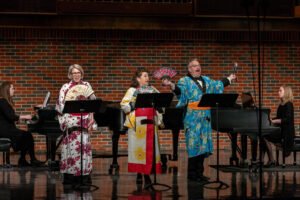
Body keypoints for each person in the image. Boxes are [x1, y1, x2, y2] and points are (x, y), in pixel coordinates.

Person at [162, 58, 236, 183]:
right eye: (195, 66)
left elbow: (217, 85)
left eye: (199, 65)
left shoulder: (206, 80)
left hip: (205, 118)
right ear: (189, 69)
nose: (198, 67)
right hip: (192, 118)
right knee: (193, 145)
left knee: (203, 145)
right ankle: (192, 174)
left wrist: (229, 78)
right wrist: (171, 85)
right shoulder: (184, 81)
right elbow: (180, 91)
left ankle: (200, 173)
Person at [120, 67, 163, 189]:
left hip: (150, 121)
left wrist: (159, 108)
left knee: (150, 149)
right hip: (138, 122)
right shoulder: (132, 90)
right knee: (140, 150)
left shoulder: (152, 89)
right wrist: (133, 105)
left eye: (147, 76)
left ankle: (147, 173)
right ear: (138, 78)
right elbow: (124, 104)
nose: (147, 78)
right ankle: (141, 173)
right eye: (144, 76)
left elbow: (161, 102)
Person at [55, 64, 97, 185]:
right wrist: (66, 119)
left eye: (78, 72)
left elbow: (93, 103)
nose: (76, 75)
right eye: (74, 73)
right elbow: (61, 106)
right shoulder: (65, 87)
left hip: (84, 119)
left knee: (84, 147)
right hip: (71, 119)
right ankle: (71, 175)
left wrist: (91, 118)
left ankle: (84, 176)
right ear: (70, 75)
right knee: (72, 148)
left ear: (81, 73)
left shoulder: (86, 85)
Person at [0, 81, 42, 167]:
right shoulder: (2, 101)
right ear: (7, 90)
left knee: (26, 136)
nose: (14, 90)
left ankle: (23, 159)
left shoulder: (3, 101)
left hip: (6, 129)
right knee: (27, 135)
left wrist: (17, 119)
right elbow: (11, 116)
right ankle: (30, 160)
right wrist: (25, 116)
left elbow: (7, 117)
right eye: (12, 88)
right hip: (4, 130)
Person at [262, 85, 295, 167]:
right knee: (263, 136)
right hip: (281, 130)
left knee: (264, 136)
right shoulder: (281, 105)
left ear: (286, 92)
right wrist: (269, 119)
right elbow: (278, 118)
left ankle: (271, 160)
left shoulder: (289, 104)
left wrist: (274, 121)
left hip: (286, 133)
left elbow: (287, 119)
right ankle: (264, 160)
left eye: (280, 91)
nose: (278, 92)